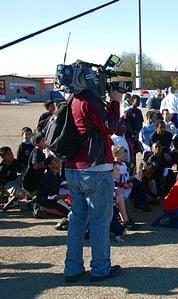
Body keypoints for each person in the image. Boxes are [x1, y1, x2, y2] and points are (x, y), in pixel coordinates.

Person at [63, 86, 124, 282]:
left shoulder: (71, 99)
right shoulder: (88, 100)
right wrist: (115, 101)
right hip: (94, 168)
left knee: (77, 221)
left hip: (73, 167)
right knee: (99, 221)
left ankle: (72, 268)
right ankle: (100, 268)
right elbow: (110, 126)